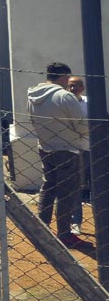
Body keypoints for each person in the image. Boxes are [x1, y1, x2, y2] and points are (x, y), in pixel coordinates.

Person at [27, 62, 89, 249]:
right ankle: (64, 234)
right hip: (67, 149)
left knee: (48, 187)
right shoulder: (64, 96)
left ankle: (42, 229)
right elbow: (82, 125)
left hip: (45, 147)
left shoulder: (32, 95)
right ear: (63, 77)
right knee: (67, 193)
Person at [67, 75, 90, 236]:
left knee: (98, 186)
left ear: (83, 87)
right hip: (74, 149)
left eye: (78, 85)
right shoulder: (65, 103)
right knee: (75, 187)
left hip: (92, 149)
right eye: (72, 85)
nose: (75, 88)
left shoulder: (90, 102)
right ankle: (76, 222)